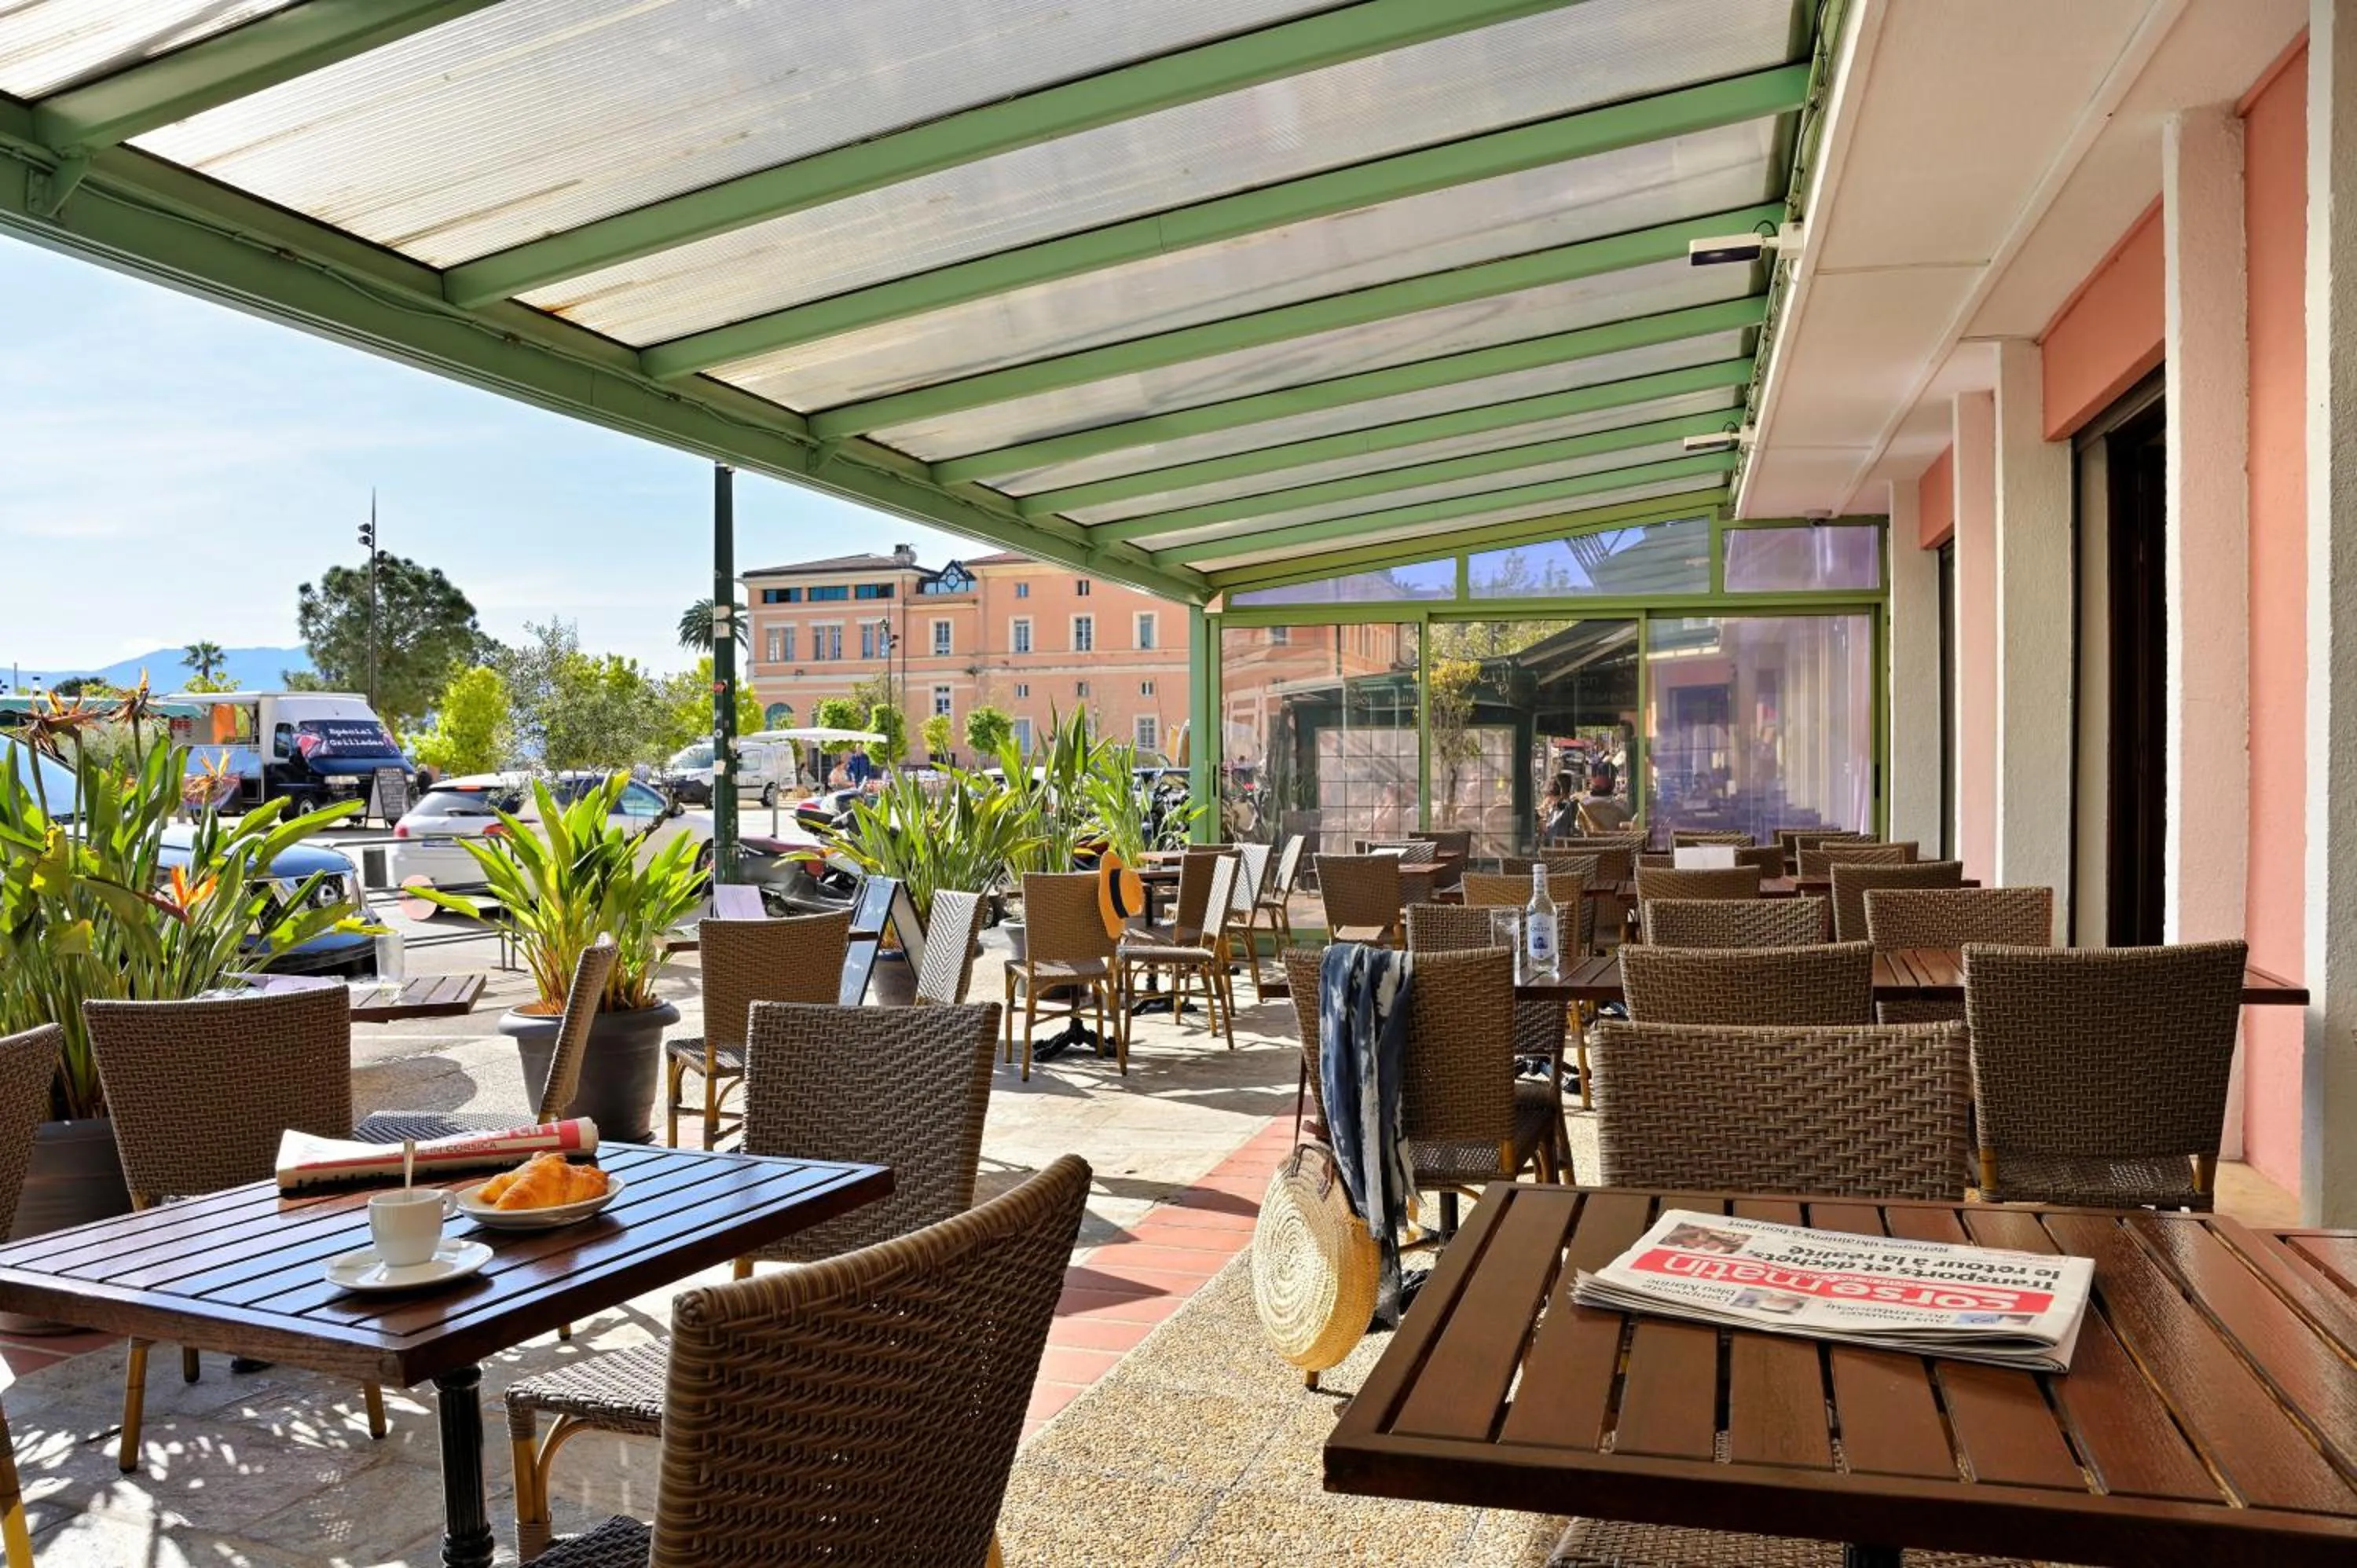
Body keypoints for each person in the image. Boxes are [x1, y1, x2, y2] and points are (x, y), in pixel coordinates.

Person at [1539, 771, 1582, 841]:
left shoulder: (1564, 808)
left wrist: (1544, 828)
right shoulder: (1572, 805)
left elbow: (1555, 834)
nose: (1547, 802)